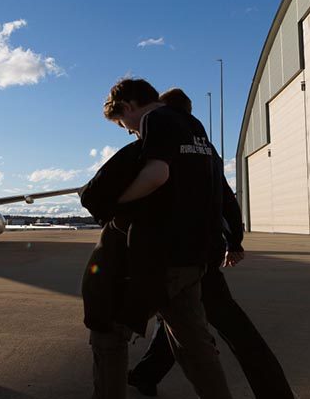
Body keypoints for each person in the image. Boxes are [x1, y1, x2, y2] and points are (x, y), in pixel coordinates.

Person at [127, 89, 295, 399]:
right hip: (205, 250)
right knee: (185, 319)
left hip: (180, 254)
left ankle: (276, 393)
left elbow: (156, 182)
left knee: (212, 325)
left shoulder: (162, 130)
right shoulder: (206, 147)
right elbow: (226, 196)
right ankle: (144, 375)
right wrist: (235, 241)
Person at [93, 78, 232, 399]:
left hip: (163, 257)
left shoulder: (155, 119)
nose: (129, 130)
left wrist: (116, 203)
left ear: (128, 106)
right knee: (194, 346)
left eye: (121, 123)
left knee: (109, 332)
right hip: (194, 257)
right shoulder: (193, 124)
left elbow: (157, 175)